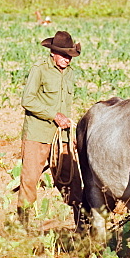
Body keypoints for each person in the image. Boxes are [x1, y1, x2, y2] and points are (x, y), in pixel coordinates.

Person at [18, 30, 78, 224]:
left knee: (72, 181)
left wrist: (71, 132)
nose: (67, 60)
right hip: (38, 133)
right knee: (29, 181)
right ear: (53, 53)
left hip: (62, 137)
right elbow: (27, 99)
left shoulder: (70, 73)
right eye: (63, 55)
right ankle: (23, 227)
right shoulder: (40, 68)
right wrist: (54, 115)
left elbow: (66, 103)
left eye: (70, 56)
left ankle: (82, 226)